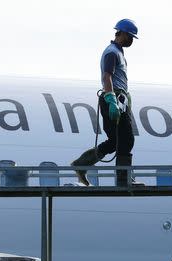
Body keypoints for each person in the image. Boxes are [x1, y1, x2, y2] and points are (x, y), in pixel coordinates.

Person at [72, 19, 139, 187]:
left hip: (119, 99)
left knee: (117, 140)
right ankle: (124, 179)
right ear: (121, 33)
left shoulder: (119, 53)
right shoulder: (112, 52)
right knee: (126, 139)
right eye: (130, 36)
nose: (131, 40)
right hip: (113, 99)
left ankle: (82, 164)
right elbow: (107, 76)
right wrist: (111, 100)